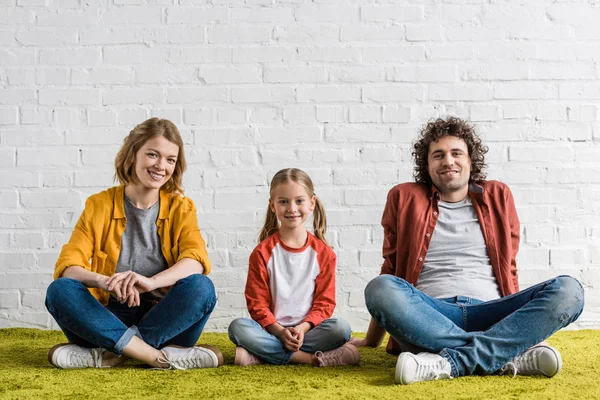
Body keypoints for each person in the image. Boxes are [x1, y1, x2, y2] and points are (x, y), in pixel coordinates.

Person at [350, 117, 584, 384]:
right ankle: (504, 355)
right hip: (430, 315)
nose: (448, 161)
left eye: (456, 153)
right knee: (379, 288)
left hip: (492, 313)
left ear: (471, 160)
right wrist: (371, 340)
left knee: (569, 290)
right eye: (438, 155)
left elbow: (509, 267)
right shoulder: (403, 197)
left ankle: (449, 361)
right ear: (427, 165)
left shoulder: (497, 195)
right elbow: (391, 268)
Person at [45, 118, 222, 370]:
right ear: (133, 154)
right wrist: (104, 281)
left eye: (170, 159)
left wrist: (151, 282)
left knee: (201, 287)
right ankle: (154, 356)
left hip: (165, 317)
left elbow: (195, 260)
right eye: (153, 154)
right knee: (60, 290)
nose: (161, 166)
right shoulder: (99, 204)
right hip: (106, 317)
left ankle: (112, 354)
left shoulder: (182, 207)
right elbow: (68, 266)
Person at [228, 168, 360, 367]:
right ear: (272, 205)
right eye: (283, 201)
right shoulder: (261, 253)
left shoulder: (324, 254)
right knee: (237, 328)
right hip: (272, 330)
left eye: (299, 201)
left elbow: (324, 304)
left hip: (308, 332)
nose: (292, 208)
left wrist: (302, 329)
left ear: (311, 203)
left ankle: (261, 354)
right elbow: (257, 305)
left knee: (341, 329)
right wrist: (281, 332)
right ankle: (309, 359)